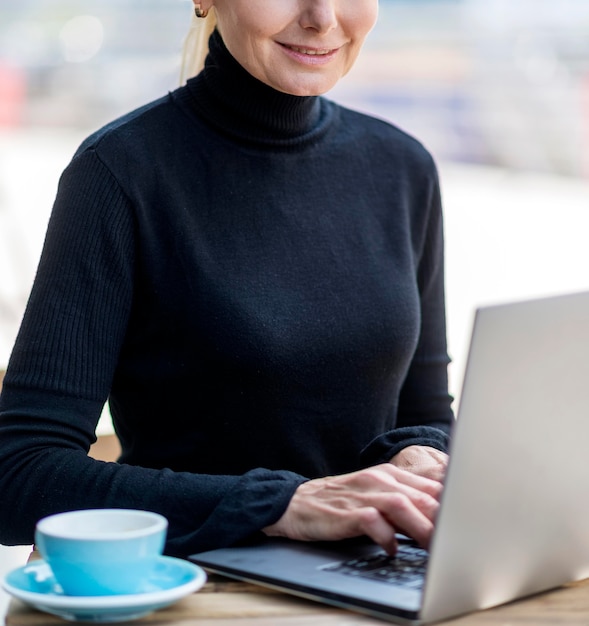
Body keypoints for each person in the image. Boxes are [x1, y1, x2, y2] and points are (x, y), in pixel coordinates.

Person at [0, 0, 454, 558]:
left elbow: (427, 412)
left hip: (375, 570)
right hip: (196, 585)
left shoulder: (402, 167)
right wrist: (281, 505)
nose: (322, 17)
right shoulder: (118, 173)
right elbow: (20, 476)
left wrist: (423, 451)